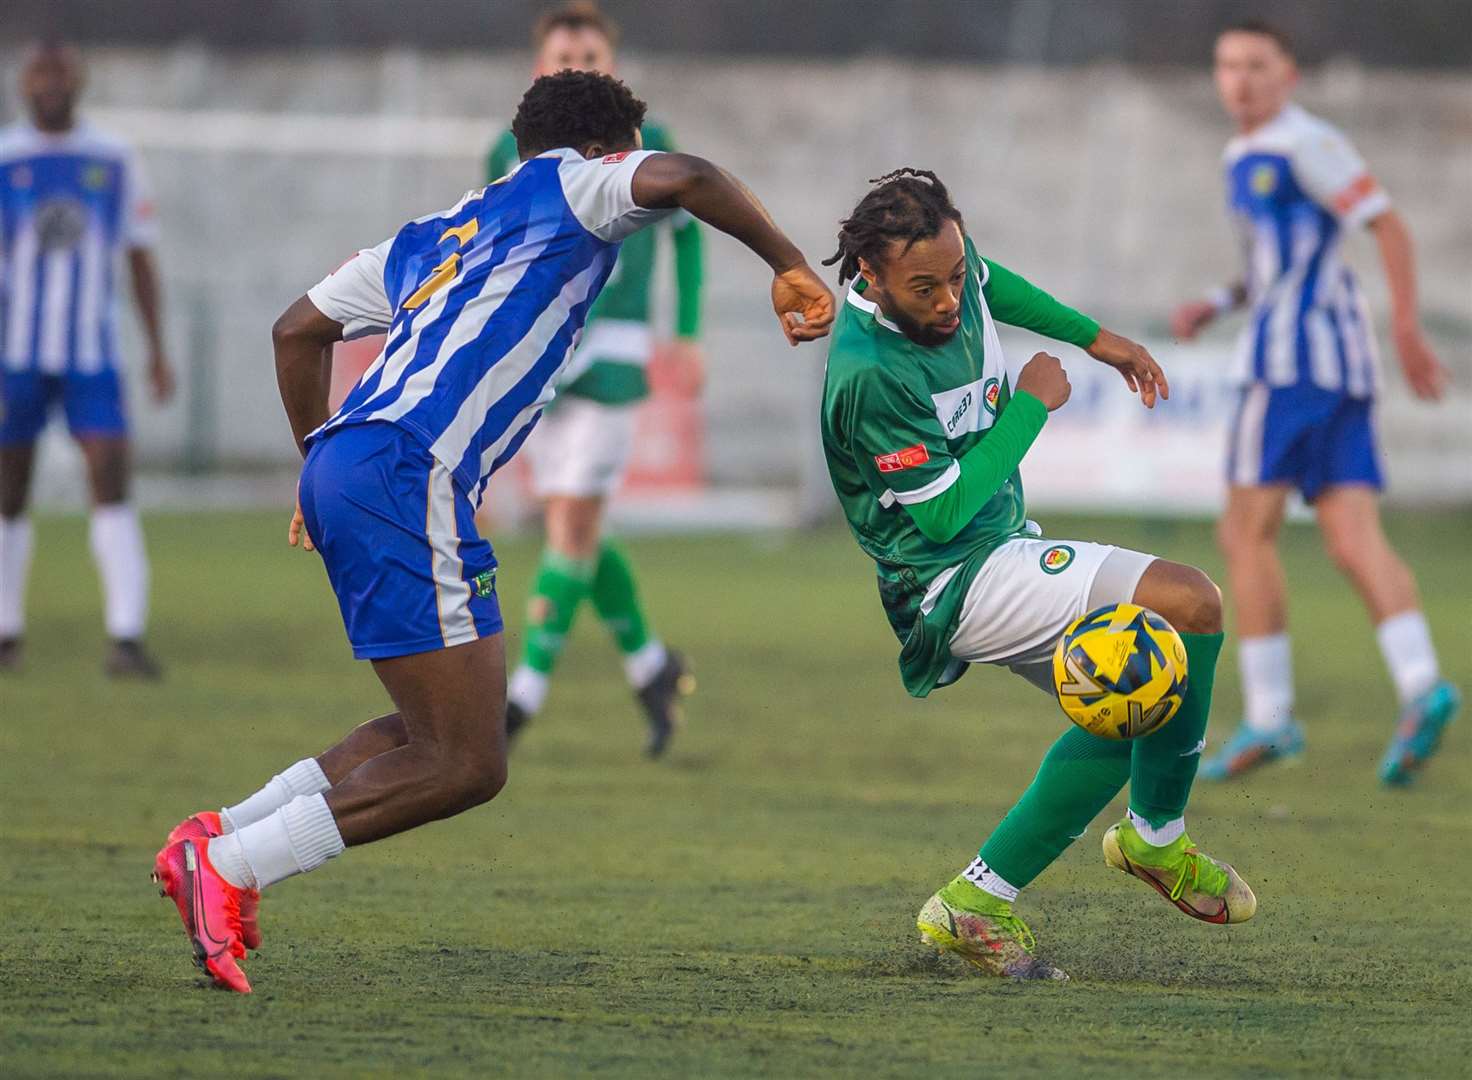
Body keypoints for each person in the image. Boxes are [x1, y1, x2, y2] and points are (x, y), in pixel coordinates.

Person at [152, 70, 834, 994]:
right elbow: (693, 178)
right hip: (407, 471)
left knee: (433, 725)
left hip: (362, 462)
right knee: (468, 762)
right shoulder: (580, 183)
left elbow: (293, 332)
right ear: (610, 149)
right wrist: (789, 264)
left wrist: (317, 463)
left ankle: (222, 835)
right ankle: (231, 870)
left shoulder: (426, 239)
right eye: (628, 152)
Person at [820, 169, 1254, 980]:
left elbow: (991, 286)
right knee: (1191, 604)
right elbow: (942, 518)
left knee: (1135, 690)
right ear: (871, 277)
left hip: (999, 545)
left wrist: (1100, 340)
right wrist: (1031, 407)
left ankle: (975, 902)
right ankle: (1156, 840)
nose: (949, 299)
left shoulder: (951, 268)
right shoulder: (870, 372)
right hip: (949, 579)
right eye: (926, 288)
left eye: (953, 274)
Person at [1170, 21, 1459, 785]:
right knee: (1350, 537)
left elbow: (1388, 226)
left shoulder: (1305, 142)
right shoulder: (1243, 154)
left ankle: (1269, 718)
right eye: (1228, 64)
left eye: (1256, 66)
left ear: (1287, 74)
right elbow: (1269, 266)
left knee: (1243, 532)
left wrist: (1407, 326)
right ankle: (1422, 685)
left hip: (1292, 367)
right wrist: (1217, 299)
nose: (1240, 80)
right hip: (1337, 370)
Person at [486, 4, 704, 756]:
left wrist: (689, 332)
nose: (574, 61)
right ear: (538, 66)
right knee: (573, 532)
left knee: (572, 527)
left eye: (588, 51)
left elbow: (688, 238)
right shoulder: (506, 154)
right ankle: (652, 668)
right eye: (562, 52)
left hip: (614, 354)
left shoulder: (651, 145)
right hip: (545, 357)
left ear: (611, 62)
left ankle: (519, 701)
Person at [0, 42, 174, 677]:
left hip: (91, 354)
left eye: (59, 74)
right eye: (38, 74)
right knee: (9, 486)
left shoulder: (113, 157)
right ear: (24, 84)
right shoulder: (6, 157)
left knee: (110, 477)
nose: (49, 85)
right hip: (13, 353)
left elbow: (139, 256)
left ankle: (126, 638)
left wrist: (158, 349)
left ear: (78, 82)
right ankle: (6, 631)